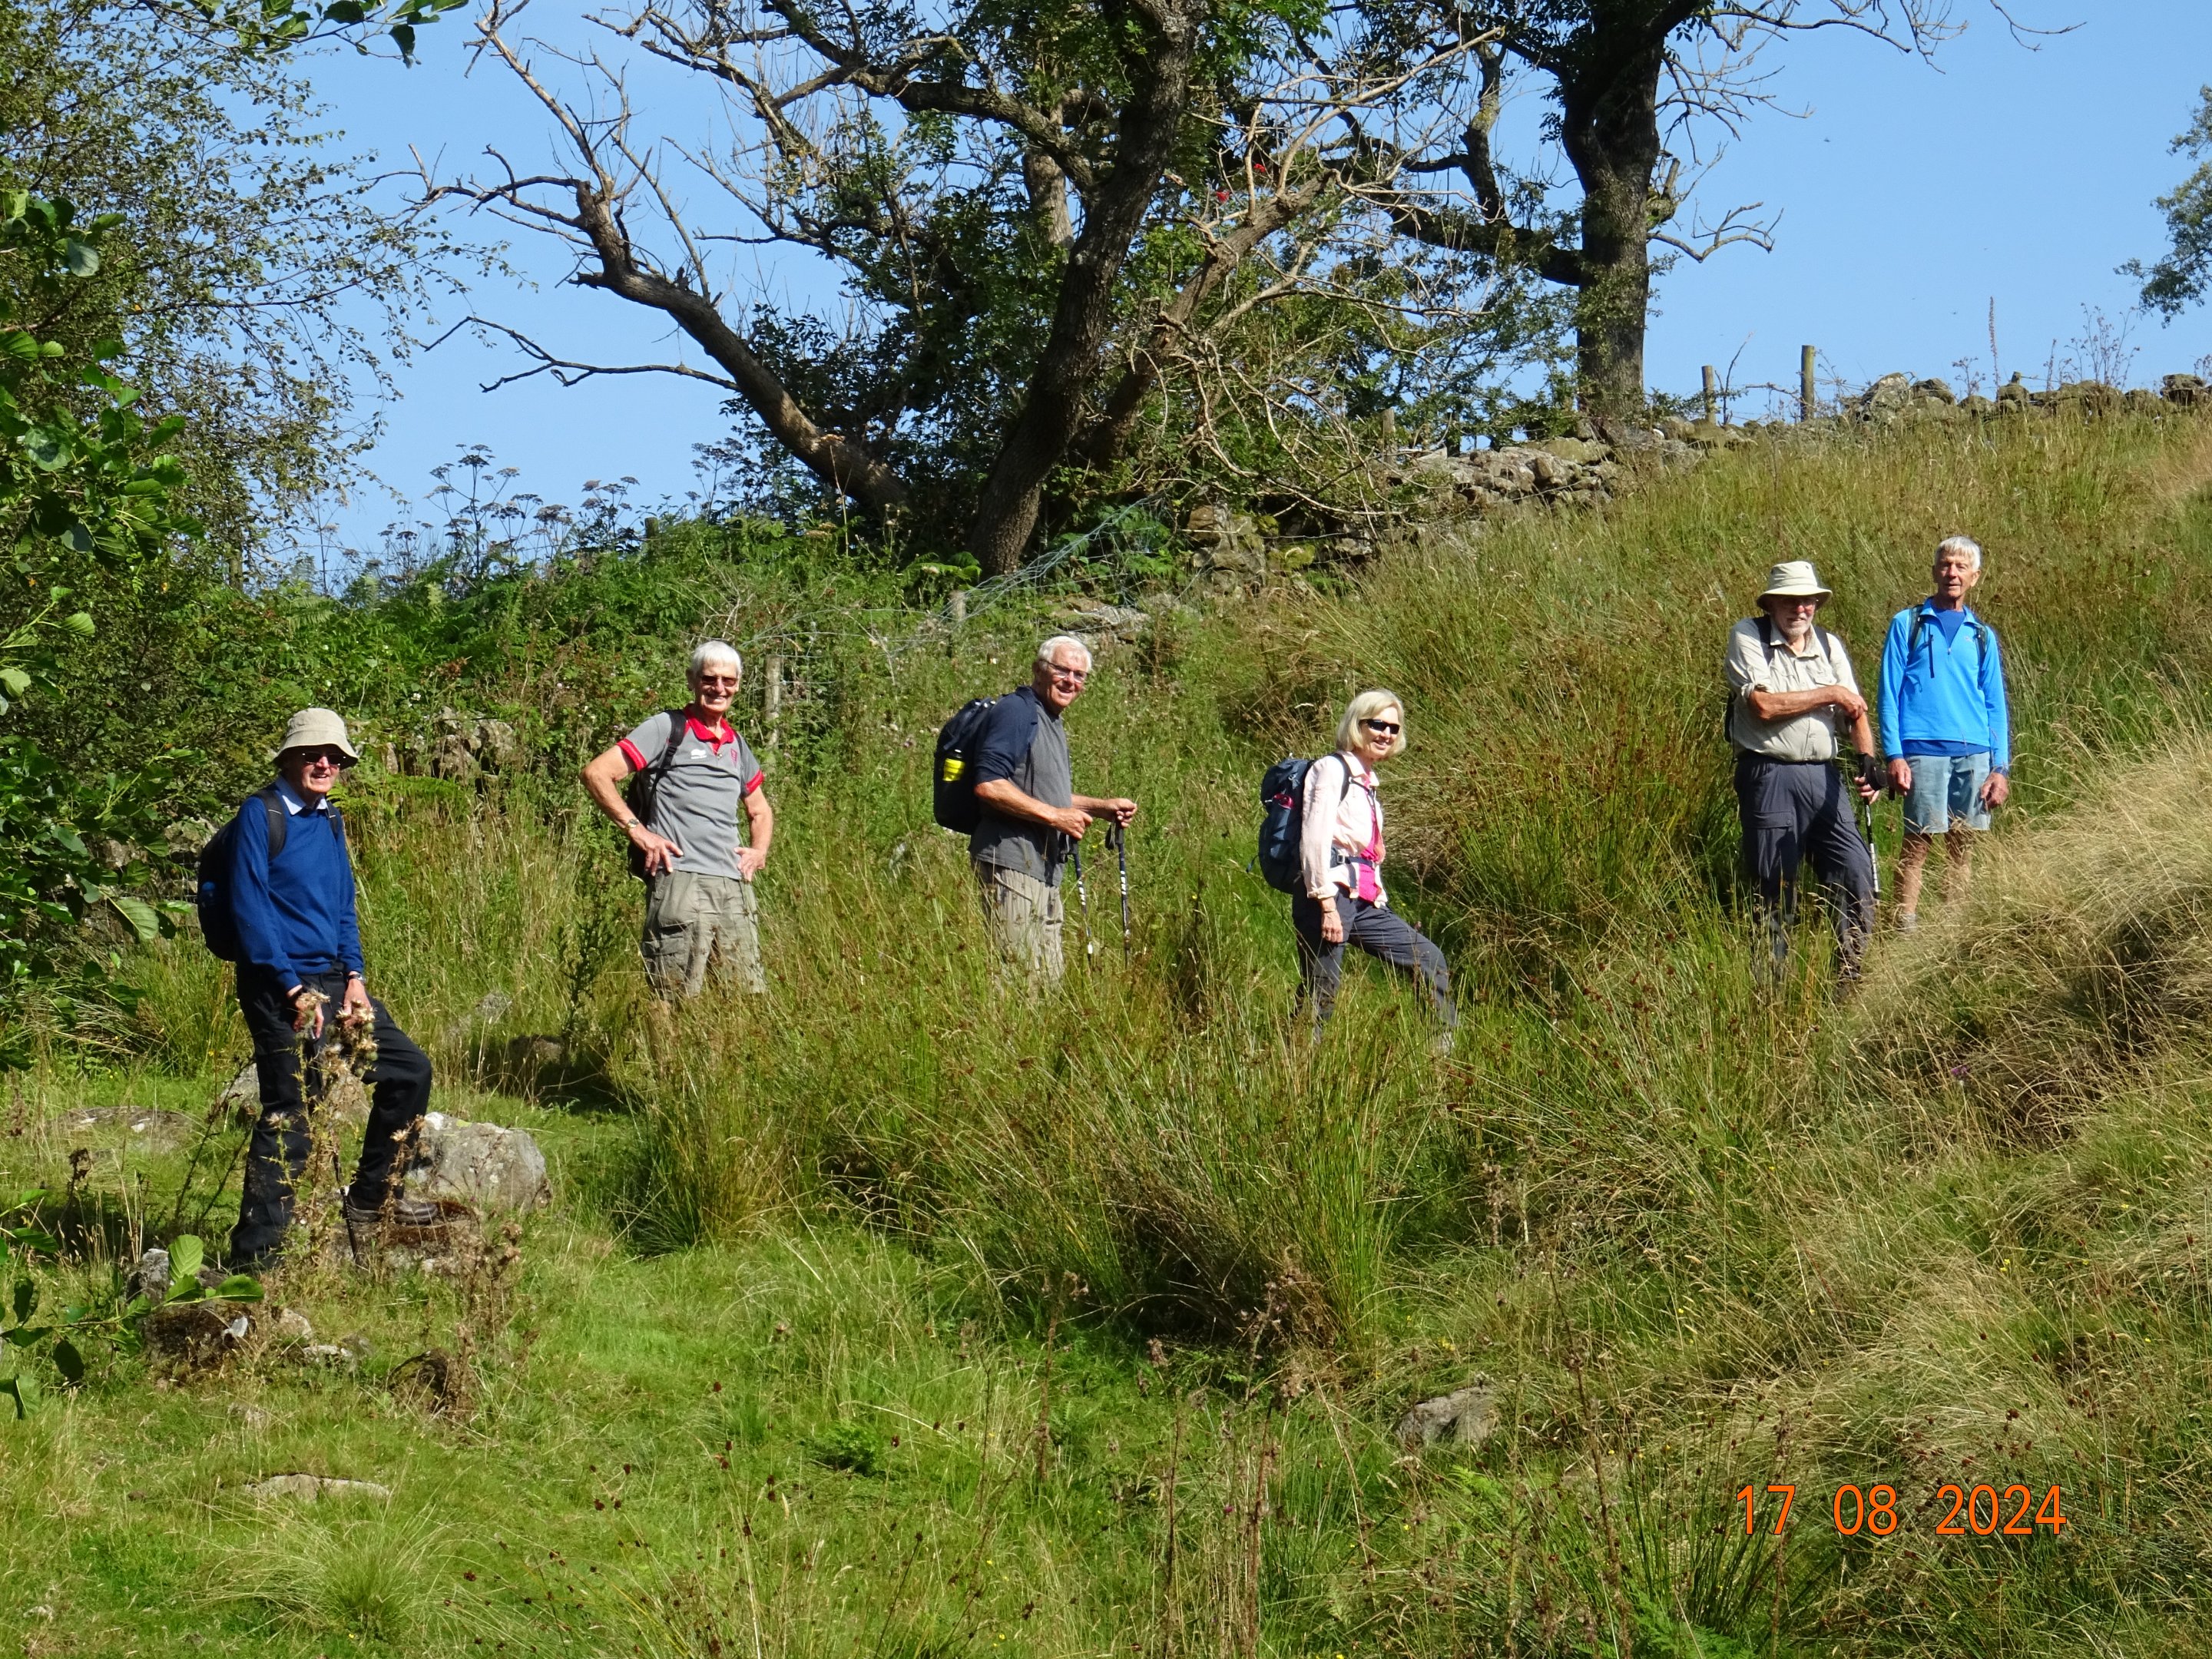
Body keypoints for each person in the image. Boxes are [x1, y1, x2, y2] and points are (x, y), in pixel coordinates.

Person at [226, 708, 438, 1270]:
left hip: (333, 981)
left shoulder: (330, 820)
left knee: (408, 1072)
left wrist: (355, 980)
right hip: (279, 985)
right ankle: (255, 1263)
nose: (326, 764)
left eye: (336, 757)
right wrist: (295, 990)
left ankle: (371, 1202)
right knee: (292, 1110)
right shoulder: (260, 814)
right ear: (289, 758)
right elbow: (250, 912)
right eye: (314, 754)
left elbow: (344, 906)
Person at [581, 640, 775, 998]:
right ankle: (665, 1058)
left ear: (738, 685)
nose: (719, 689)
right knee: (671, 999)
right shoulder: (667, 728)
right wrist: (638, 832)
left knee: (743, 1001)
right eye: (710, 679)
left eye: (728, 681)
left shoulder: (736, 744)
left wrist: (758, 852)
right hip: (680, 882)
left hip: (733, 887)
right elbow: (597, 773)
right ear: (692, 680)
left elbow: (760, 810)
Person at [1724, 561, 1881, 983]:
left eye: (1808, 600)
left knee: (1855, 872)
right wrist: (1830, 692)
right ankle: (1771, 990)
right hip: (1769, 775)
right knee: (1774, 883)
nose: (1800, 609)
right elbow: (1764, 706)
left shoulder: (1830, 645)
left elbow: (1856, 710)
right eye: (1791, 600)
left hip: (1826, 777)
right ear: (1773, 603)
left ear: (1816, 604)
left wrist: (1867, 759)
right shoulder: (1749, 635)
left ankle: (1849, 982)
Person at [966, 635, 1137, 981]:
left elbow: (1042, 792)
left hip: (1042, 868)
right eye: (1062, 670)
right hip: (1012, 862)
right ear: (1039, 670)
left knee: (1048, 980)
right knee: (1017, 978)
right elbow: (988, 784)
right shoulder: (1017, 711)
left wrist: (1100, 807)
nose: (1070, 681)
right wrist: (1057, 817)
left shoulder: (1050, 719)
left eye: (1079, 675)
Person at [1292, 690, 1457, 1045]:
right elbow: (1315, 839)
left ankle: (1442, 1050)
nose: (1386, 734)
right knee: (1321, 992)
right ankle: (1296, 1069)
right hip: (1329, 896)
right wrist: (1326, 904)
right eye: (1378, 724)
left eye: (1394, 728)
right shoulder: (1331, 769)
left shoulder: (1365, 781)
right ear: (1358, 724)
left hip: (1363, 900)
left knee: (1427, 956)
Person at [1878, 535, 2011, 930]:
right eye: (1945, 564)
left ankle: (1953, 932)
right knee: (1917, 842)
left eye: (1961, 567)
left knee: (1962, 846)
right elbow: (1889, 692)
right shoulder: (1909, 624)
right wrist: (1894, 754)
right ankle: (1907, 928)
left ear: (1975, 577)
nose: (1952, 573)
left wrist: (2000, 768)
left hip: (1974, 753)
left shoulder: (1982, 635)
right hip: (1922, 750)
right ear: (1935, 570)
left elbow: (1995, 706)